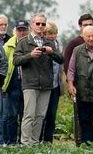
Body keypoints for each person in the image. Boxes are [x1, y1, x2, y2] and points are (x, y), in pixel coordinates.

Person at [12, 14, 63, 145]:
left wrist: (52, 52)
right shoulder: (23, 42)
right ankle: (25, 142)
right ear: (32, 25)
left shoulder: (50, 42)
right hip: (30, 83)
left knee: (40, 115)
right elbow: (16, 61)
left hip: (46, 84)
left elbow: (61, 59)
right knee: (29, 114)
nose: (40, 26)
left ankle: (34, 142)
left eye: (43, 24)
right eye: (38, 23)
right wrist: (30, 55)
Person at [64, 13, 93, 145]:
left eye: (90, 25)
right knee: (80, 116)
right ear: (80, 27)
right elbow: (67, 66)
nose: (87, 27)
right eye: (85, 25)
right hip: (79, 87)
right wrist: (71, 84)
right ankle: (80, 141)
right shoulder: (74, 44)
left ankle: (92, 141)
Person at [0, 19, 30, 145]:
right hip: (13, 84)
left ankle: (23, 140)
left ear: (28, 31)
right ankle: (11, 141)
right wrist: (3, 85)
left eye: (24, 30)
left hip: (28, 83)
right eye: (19, 30)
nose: (22, 33)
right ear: (15, 31)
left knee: (25, 115)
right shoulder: (8, 45)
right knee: (12, 115)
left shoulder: (31, 44)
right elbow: (3, 65)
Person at [42, 22, 63, 143]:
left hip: (56, 84)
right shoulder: (42, 45)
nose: (52, 36)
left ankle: (48, 141)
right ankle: (38, 139)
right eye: (49, 33)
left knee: (52, 115)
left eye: (54, 33)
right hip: (45, 84)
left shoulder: (59, 45)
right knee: (42, 114)